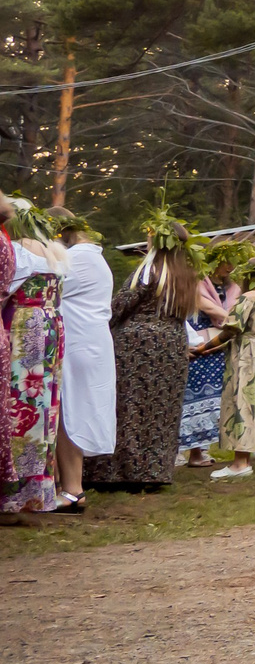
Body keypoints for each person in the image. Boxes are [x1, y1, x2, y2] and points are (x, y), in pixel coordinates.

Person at [87, 220, 193, 494]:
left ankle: (122, 472)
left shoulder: (148, 271)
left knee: (129, 405)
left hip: (138, 345)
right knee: (163, 408)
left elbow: (122, 304)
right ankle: (155, 470)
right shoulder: (187, 274)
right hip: (173, 343)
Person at [0, 203, 69, 511]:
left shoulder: (18, 251)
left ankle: (16, 489)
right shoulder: (51, 250)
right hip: (52, 324)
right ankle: (40, 487)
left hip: (26, 326)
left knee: (21, 398)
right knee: (46, 403)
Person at [50, 212, 114, 507]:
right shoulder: (92, 257)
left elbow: (49, 290)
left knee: (69, 413)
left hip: (80, 343)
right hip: (88, 341)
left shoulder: (78, 258)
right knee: (68, 411)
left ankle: (73, 489)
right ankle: (68, 486)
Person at [209, 257, 255, 481]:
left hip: (245, 351)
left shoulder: (246, 299)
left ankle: (239, 463)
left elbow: (230, 330)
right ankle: (246, 458)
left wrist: (206, 348)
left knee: (241, 399)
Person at [179, 273, 229, 467]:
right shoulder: (193, 291)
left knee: (204, 401)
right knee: (191, 400)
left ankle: (198, 451)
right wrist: (239, 321)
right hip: (197, 348)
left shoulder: (217, 289)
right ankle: (191, 452)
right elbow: (208, 309)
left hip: (206, 348)